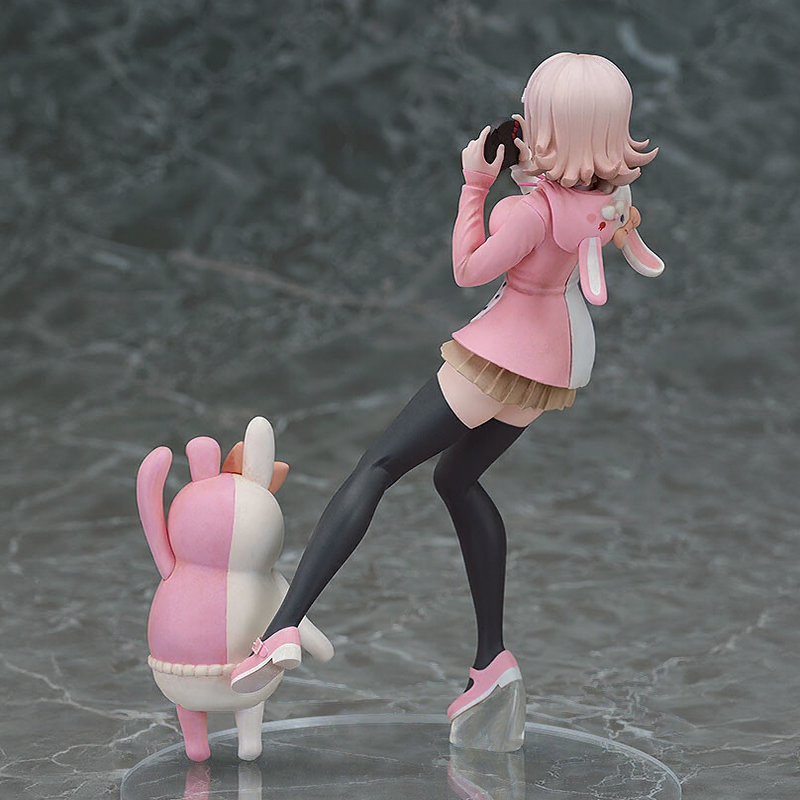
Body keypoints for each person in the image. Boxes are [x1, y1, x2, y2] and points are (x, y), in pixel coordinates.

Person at [230, 52, 662, 721]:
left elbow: (468, 269)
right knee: (456, 479)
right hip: (551, 364)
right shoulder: (607, 206)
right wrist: (525, 168)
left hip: (497, 356)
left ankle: (283, 626)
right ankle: (492, 659)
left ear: (550, 126)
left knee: (377, 467)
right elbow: (563, 209)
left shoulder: (526, 212)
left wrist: (474, 186)